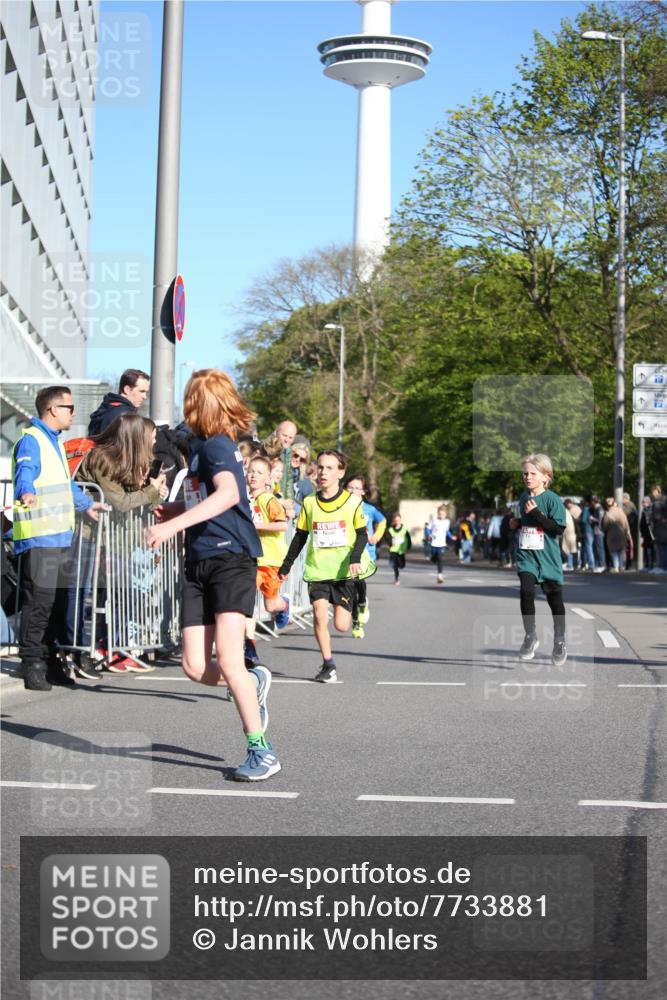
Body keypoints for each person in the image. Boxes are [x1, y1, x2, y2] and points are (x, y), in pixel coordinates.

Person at [147, 369, 279, 783]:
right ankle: (252, 680)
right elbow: (206, 500)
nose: (185, 407)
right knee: (192, 665)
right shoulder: (199, 449)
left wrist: (169, 528)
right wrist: (174, 513)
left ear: (203, 404)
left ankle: (261, 750)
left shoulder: (219, 445)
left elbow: (228, 494)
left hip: (231, 561)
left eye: (190, 399)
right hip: (198, 562)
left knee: (229, 659)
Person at [12, 386, 105, 690]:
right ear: (53, 409)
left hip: (58, 538)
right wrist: (24, 491)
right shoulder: (32, 440)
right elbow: (26, 472)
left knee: (52, 606)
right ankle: (32, 664)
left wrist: (87, 504)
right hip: (40, 538)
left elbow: (64, 486)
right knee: (38, 605)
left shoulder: (53, 442)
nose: (72, 412)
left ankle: (51, 662)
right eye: (69, 407)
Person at [71, 413, 169, 675]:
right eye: (151, 438)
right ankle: (80, 651)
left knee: (115, 596)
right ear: (135, 437)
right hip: (89, 536)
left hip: (114, 539)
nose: (154, 443)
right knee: (82, 596)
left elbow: (134, 503)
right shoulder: (102, 459)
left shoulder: (127, 462)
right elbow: (121, 503)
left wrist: (155, 492)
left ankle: (109, 648)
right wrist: (147, 491)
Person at [278, 450, 373, 683]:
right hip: (319, 569)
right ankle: (328, 664)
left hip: (343, 571)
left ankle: (360, 603)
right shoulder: (309, 503)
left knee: (341, 625)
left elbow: (362, 535)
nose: (323, 472)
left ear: (341, 473)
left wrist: (354, 559)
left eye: (330, 468)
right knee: (320, 617)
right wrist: (286, 565)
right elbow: (300, 537)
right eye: (320, 467)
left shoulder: (352, 502)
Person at [510, 453, 567, 667]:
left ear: (545, 476)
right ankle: (530, 635)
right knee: (526, 591)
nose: (527, 477)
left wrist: (536, 514)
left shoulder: (552, 499)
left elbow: (559, 528)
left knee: (555, 601)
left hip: (548, 558)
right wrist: (515, 522)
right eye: (525, 473)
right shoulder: (523, 498)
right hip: (527, 556)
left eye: (532, 473)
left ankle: (559, 641)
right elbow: (525, 521)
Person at [247, 455, 290, 650]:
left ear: (267, 478)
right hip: (252, 560)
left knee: (270, 606)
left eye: (259, 472)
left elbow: (283, 525)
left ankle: (285, 604)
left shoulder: (269, 499)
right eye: (251, 472)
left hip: (272, 560)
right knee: (245, 603)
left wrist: (257, 525)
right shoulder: (245, 499)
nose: (254, 476)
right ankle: (248, 645)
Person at [345, 475, 386, 638]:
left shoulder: (369, 509)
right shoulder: (341, 508)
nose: (353, 490)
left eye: (356, 488)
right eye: (350, 487)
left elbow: (382, 521)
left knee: (359, 582)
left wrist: (376, 536)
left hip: (366, 553)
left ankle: (363, 602)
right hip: (348, 552)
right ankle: (356, 623)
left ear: (363, 491)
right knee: (352, 588)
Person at [87, 369, 150, 436]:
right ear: (127, 389)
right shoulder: (123, 416)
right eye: (141, 391)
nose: (145, 397)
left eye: (146, 392)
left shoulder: (107, 409)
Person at [602, 498, 632, 573]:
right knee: (621, 550)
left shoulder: (608, 513)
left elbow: (605, 526)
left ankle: (615, 567)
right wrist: (628, 532)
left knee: (613, 551)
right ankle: (621, 566)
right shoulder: (621, 511)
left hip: (611, 535)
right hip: (621, 534)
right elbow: (626, 523)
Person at [387, 512, 411, 585]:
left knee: (402, 565)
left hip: (401, 550)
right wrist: (390, 543)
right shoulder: (390, 529)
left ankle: (400, 566)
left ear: (400, 520)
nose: (397, 521)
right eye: (395, 520)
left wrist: (408, 547)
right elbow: (388, 538)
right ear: (394, 521)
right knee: (395, 565)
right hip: (393, 550)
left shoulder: (404, 529)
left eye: (398, 520)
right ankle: (396, 579)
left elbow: (409, 539)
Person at [429, 505, 450, 584]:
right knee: (434, 558)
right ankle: (433, 558)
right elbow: (428, 529)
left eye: (443, 514)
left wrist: (452, 537)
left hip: (442, 544)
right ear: (438, 514)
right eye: (440, 514)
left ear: (446, 514)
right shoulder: (434, 520)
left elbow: (447, 531)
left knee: (441, 559)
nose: (442, 516)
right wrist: (429, 535)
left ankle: (440, 575)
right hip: (434, 543)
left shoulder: (447, 522)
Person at [649, 485, 667, 573]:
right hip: (664, 527)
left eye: (653, 492)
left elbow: (656, 516)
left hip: (660, 528)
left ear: (657, 492)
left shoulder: (657, 502)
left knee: (661, 548)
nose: (652, 494)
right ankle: (662, 566)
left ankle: (663, 567)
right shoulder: (665, 500)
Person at [561, 500, 578, 572]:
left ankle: (570, 565)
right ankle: (571, 564)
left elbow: (565, 523)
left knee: (568, 549)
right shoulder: (567, 512)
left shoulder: (564, 512)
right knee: (570, 549)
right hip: (570, 533)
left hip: (568, 533)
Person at [639, 496, 655, 571]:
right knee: (646, 549)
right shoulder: (644, 510)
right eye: (642, 502)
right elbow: (642, 523)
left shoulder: (650, 510)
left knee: (650, 550)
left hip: (650, 534)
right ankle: (646, 565)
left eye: (644, 502)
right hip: (645, 534)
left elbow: (649, 522)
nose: (642, 504)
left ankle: (650, 565)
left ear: (648, 502)